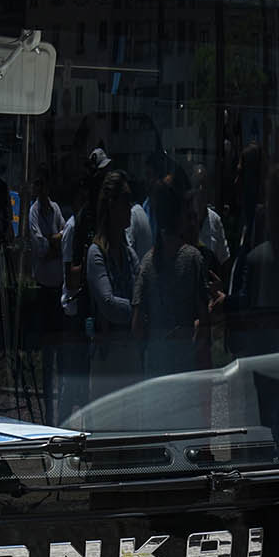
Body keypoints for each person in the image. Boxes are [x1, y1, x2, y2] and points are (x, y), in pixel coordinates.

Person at [134, 180, 214, 377]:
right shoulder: (193, 259)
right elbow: (204, 322)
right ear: (180, 218)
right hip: (184, 371)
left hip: (155, 370)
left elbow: (136, 326)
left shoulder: (146, 264)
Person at [83, 170, 139, 403]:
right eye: (125, 200)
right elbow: (108, 303)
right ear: (112, 205)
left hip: (129, 357)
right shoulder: (96, 253)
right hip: (108, 362)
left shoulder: (128, 254)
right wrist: (137, 310)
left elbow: (141, 291)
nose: (130, 207)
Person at [27, 165, 68, 420]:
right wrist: (54, 243)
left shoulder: (55, 209)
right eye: (37, 184)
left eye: (43, 184)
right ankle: (46, 403)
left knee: (60, 348)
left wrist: (53, 243)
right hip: (44, 288)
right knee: (47, 351)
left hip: (57, 288)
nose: (40, 189)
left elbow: (63, 240)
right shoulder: (33, 212)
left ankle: (59, 400)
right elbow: (40, 246)